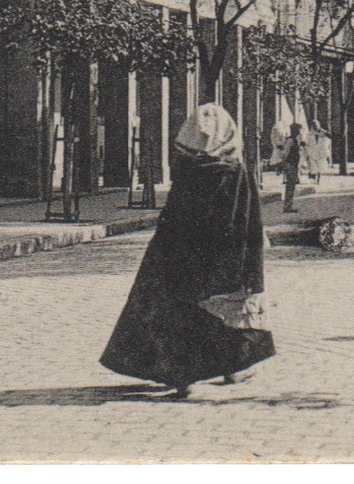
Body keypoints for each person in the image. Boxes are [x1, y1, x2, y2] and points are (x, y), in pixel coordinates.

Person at [101, 103, 274, 399]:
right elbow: (249, 219)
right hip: (224, 255)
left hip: (183, 255)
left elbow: (174, 216)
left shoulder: (189, 170)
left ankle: (184, 378)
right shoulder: (237, 171)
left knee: (181, 313)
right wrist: (249, 260)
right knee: (225, 312)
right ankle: (232, 368)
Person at [279, 122, 305, 213]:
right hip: (290, 164)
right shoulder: (290, 140)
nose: (299, 132)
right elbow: (284, 153)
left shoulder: (296, 140)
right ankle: (287, 206)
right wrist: (283, 164)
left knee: (292, 185)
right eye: (298, 130)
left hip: (293, 164)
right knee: (290, 186)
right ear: (295, 130)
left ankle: (288, 205)